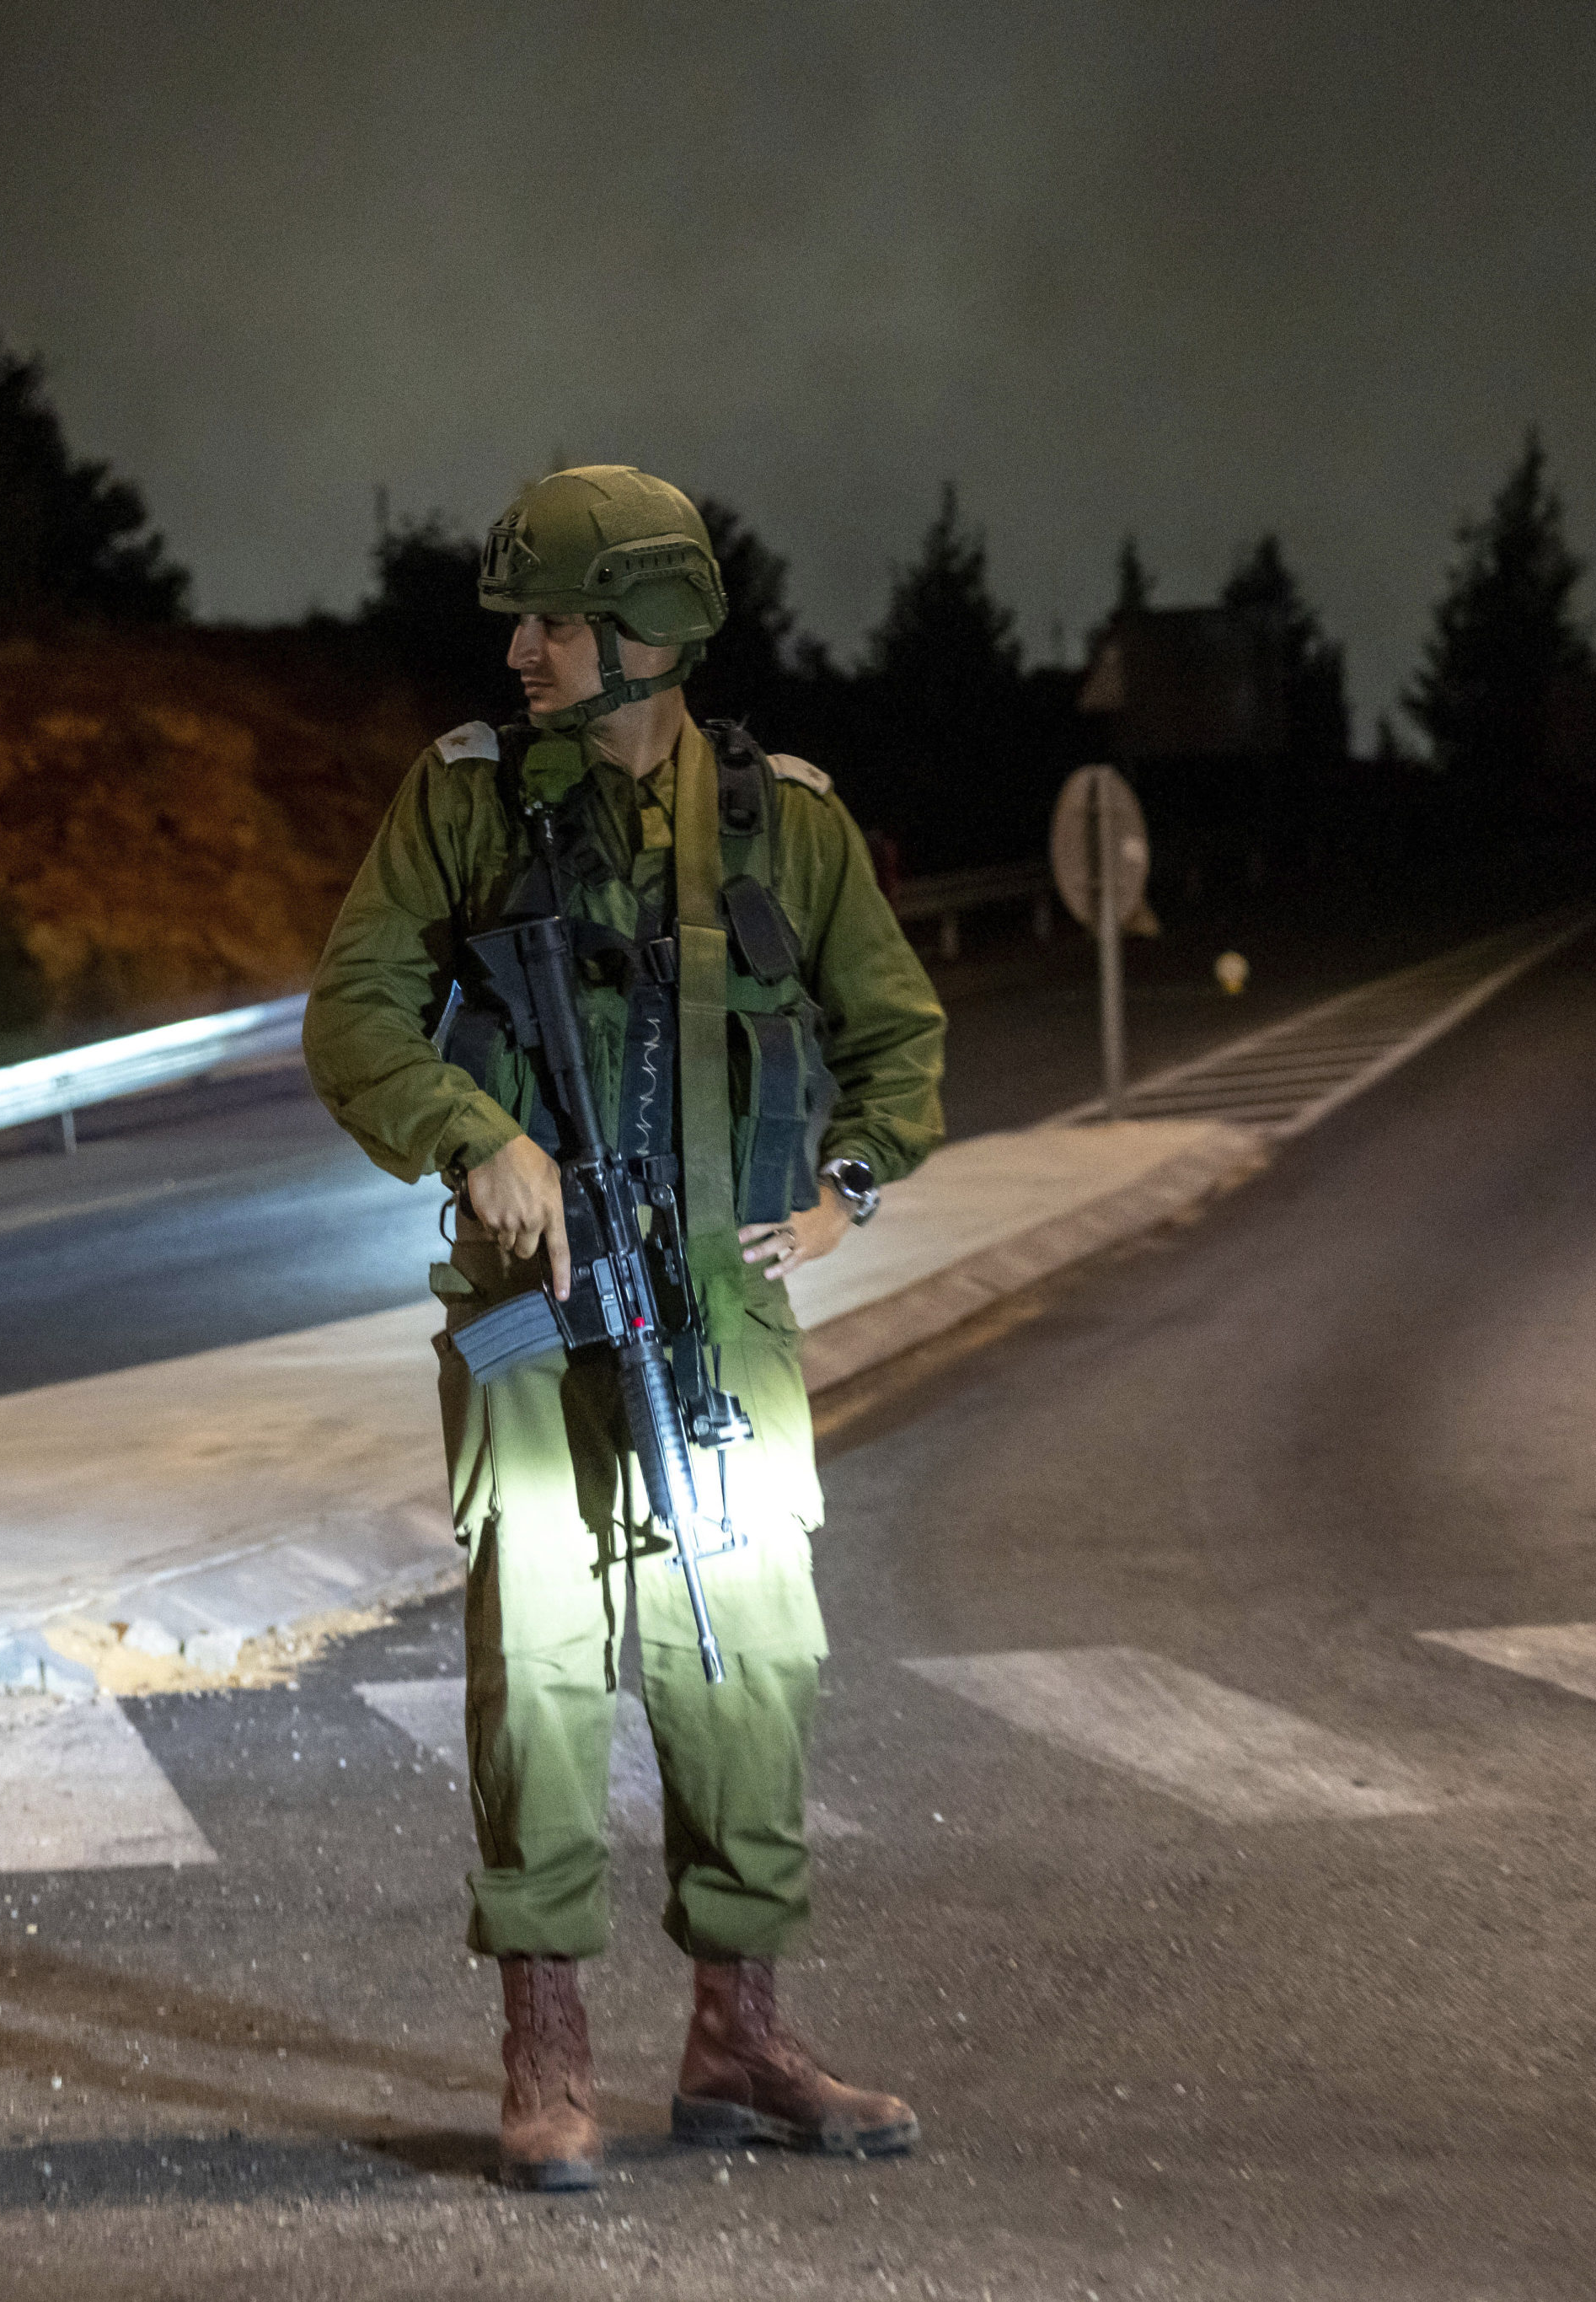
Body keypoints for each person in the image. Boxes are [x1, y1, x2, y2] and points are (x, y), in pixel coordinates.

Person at [303, 465, 946, 2190]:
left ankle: (739, 2030)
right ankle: (547, 2050)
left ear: (650, 631)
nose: (519, 649)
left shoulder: (783, 823)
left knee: (749, 1657)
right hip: (534, 1306)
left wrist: (846, 1189)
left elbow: (896, 1036)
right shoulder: (459, 804)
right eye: (518, 618)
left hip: (721, 1314)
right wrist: (475, 1134)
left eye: (556, 619)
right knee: (540, 1652)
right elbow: (352, 1014)